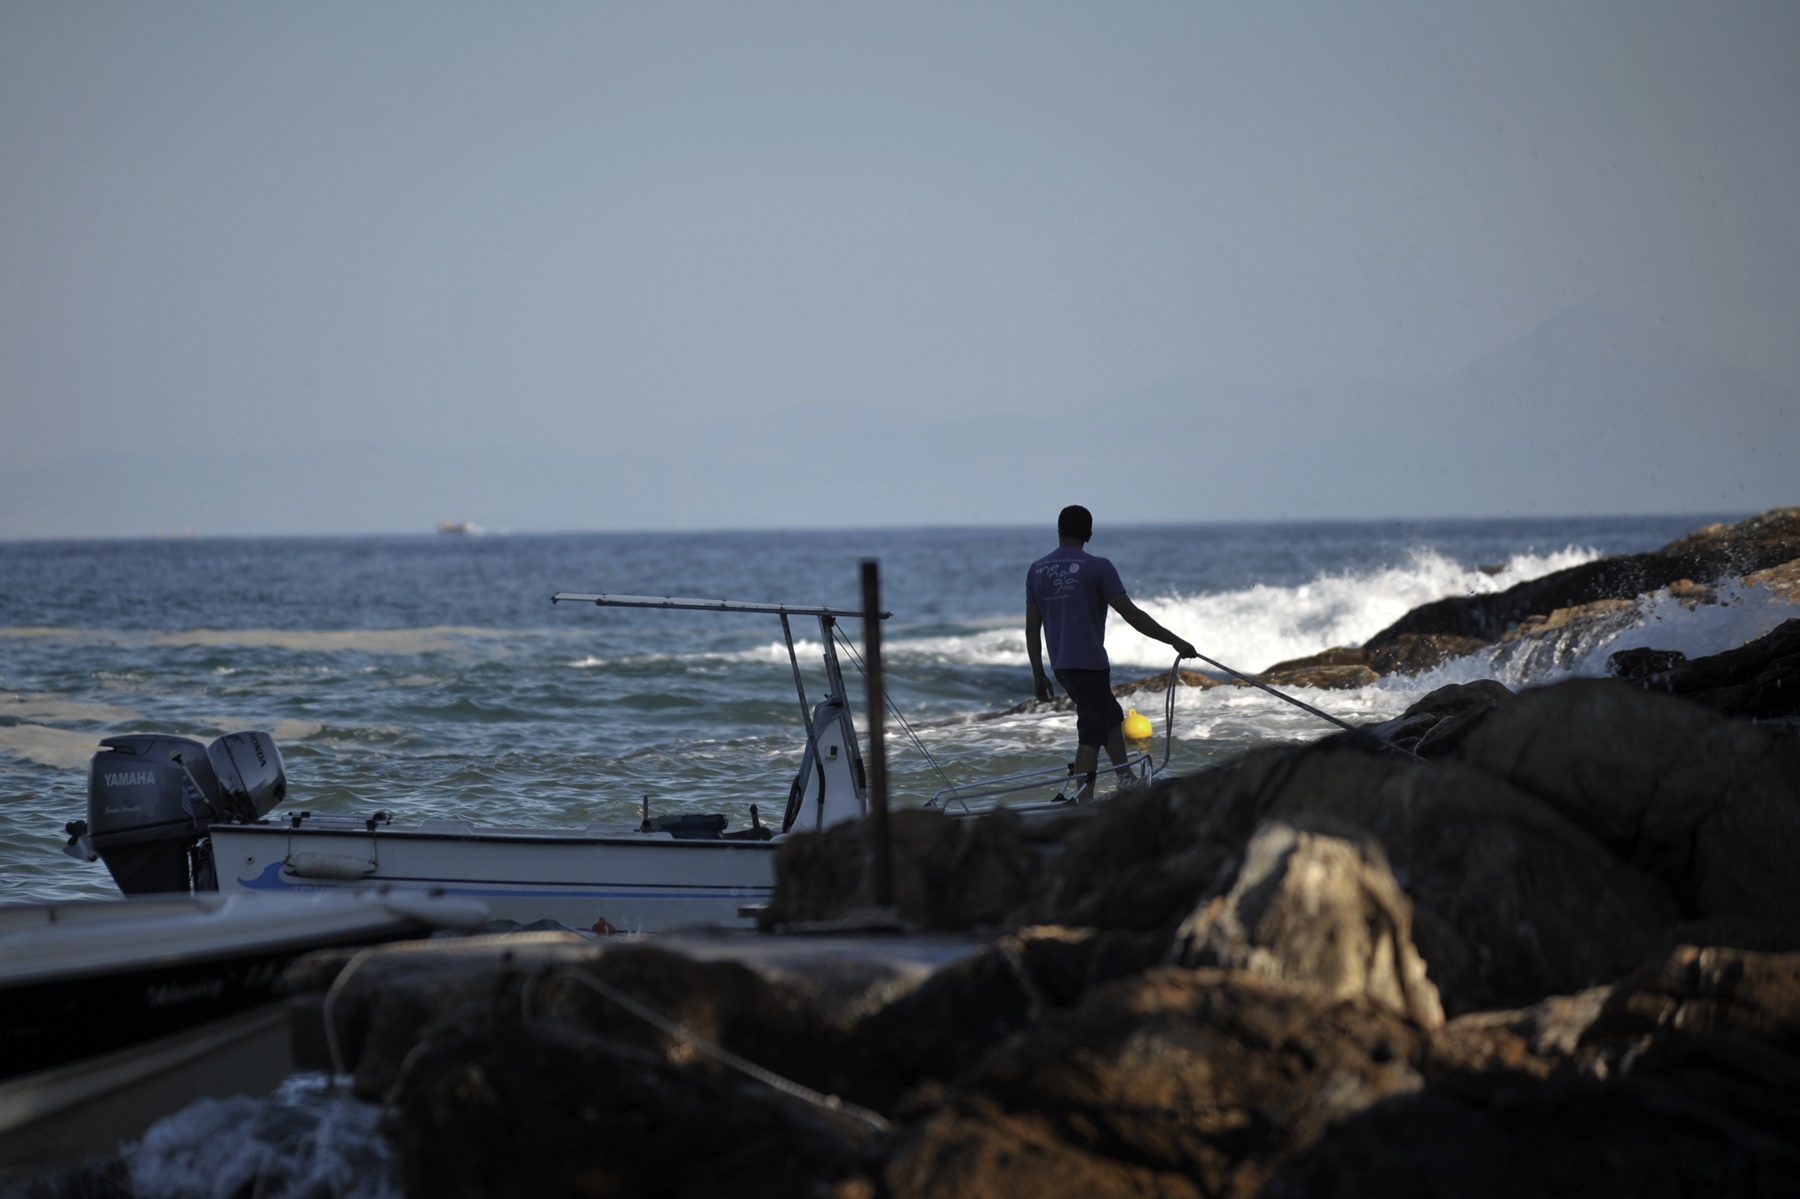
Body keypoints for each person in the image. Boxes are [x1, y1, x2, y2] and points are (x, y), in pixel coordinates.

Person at [1025, 504, 1197, 801]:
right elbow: (1132, 615)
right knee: (1090, 734)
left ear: (1059, 531)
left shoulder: (1037, 570)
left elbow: (1031, 628)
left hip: (1062, 665)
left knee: (1110, 716)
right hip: (1089, 663)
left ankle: (1125, 777)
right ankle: (1084, 801)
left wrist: (1038, 674)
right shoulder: (1099, 567)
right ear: (1089, 534)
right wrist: (1174, 641)